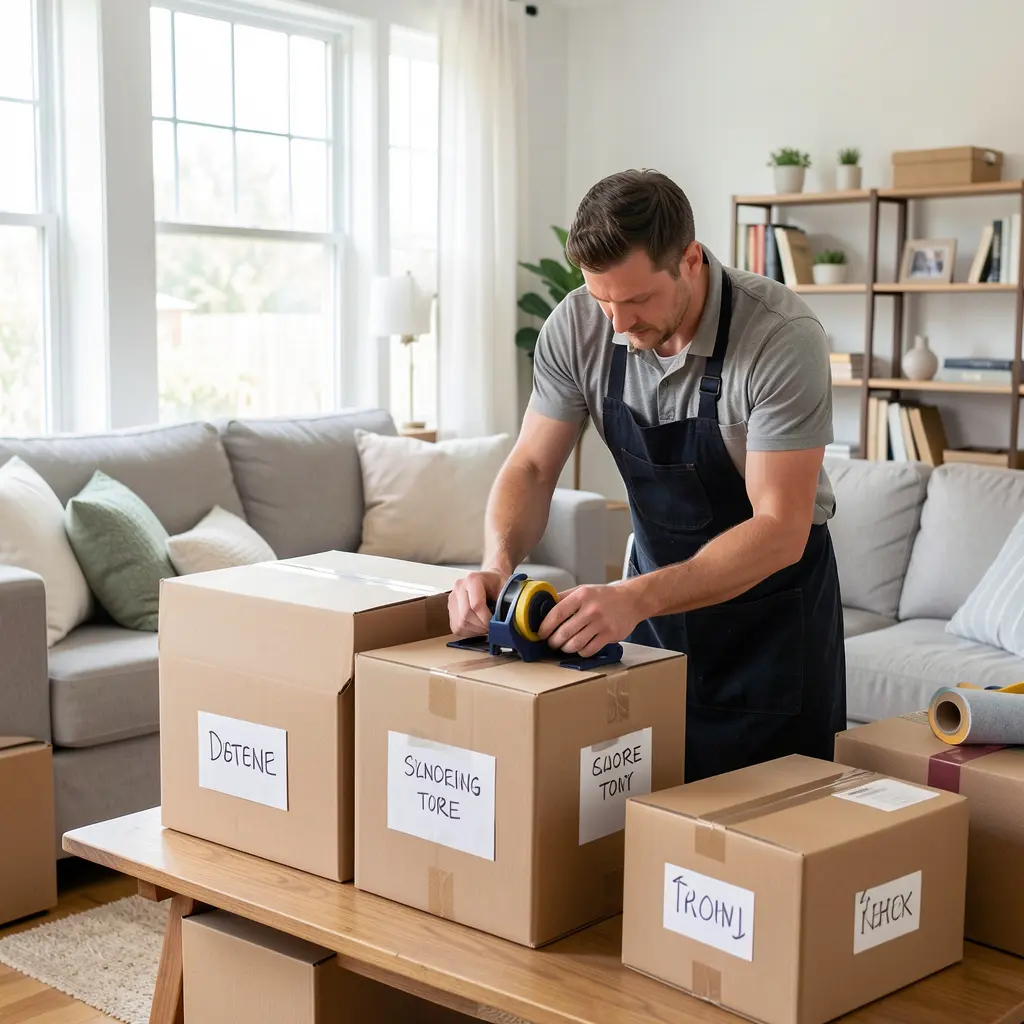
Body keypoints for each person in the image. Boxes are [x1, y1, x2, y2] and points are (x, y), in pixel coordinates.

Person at [448, 168, 846, 782]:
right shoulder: (578, 325)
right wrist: (496, 567)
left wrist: (634, 596)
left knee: (764, 842)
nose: (617, 324)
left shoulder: (779, 338)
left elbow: (780, 527)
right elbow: (530, 465)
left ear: (690, 260)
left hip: (771, 630)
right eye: (602, 299)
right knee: (643, 823)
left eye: (636, 300)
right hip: (649, 620)